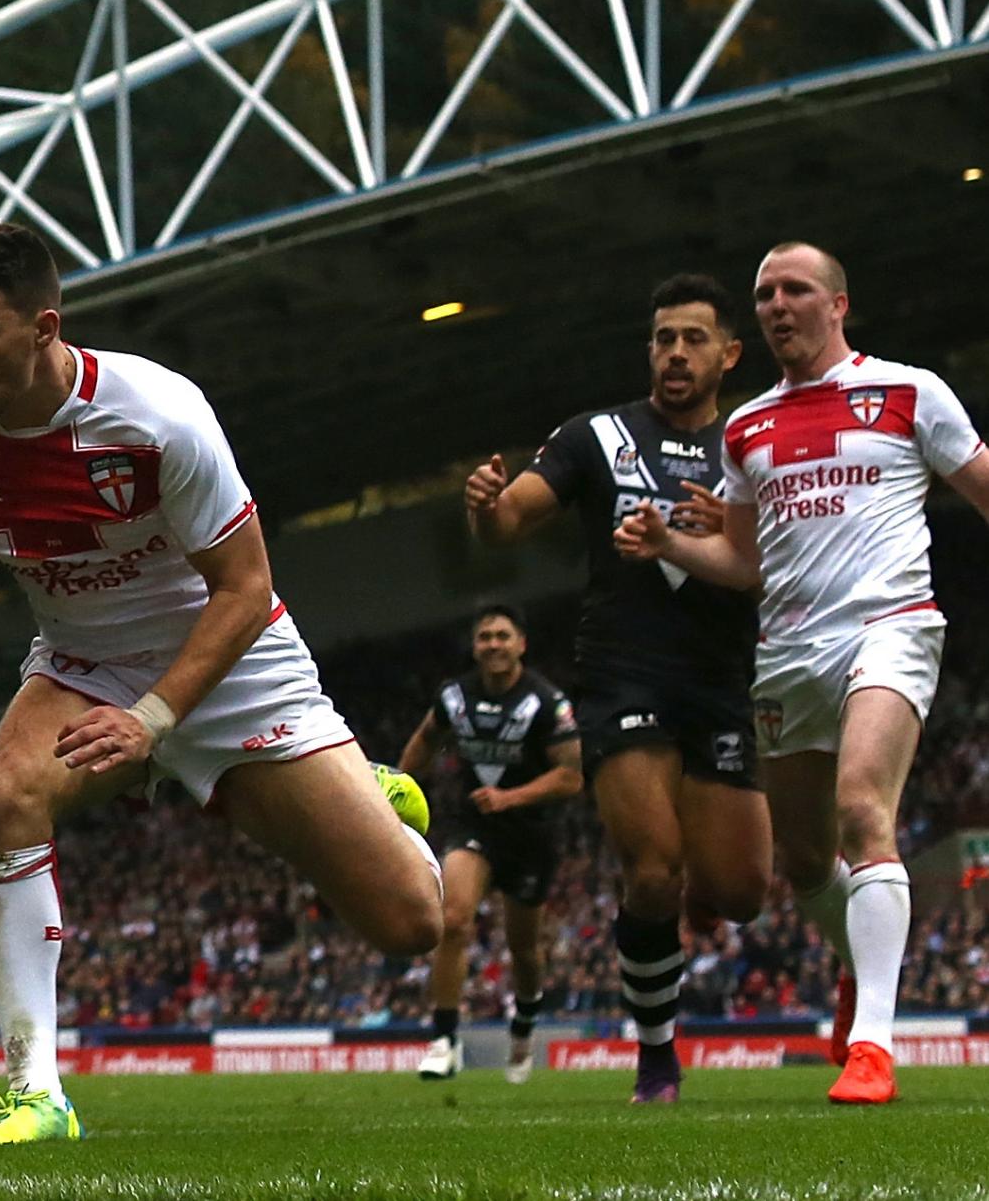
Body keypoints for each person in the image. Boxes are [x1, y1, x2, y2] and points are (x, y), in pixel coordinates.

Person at [0, 222, 441, 1145]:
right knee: (4, 795)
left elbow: (246, 589)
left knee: (411, 924)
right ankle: (39, 1093)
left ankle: (365, 791)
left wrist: (153, 719)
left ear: (44, 327)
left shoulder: (158, 416)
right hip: (83, 665)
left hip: (232, 665)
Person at [617, 241, 989, 1106]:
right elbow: (746, 562)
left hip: (890, 627)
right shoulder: (746, 428)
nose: (778, 304)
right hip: (789, 652)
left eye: (795, 289)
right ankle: (859, 969)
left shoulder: (909, 392)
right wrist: (670, 542)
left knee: (866, 810)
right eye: (765, 294)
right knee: (805, 858)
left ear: (837, 303)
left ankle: (873, 1051)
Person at [462, 273, 767, 1103]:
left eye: (693, 338)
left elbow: (786, 566)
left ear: (729, 353)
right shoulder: (597, 434)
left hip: (722, 680)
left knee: (739, 892)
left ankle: (686, 895)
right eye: (663, 337)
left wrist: (728, 536)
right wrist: (487, 509)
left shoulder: (754, 441)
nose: (674, 352)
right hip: (622, 674)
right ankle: (658, 1056)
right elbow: (513, 519)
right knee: (654, 869)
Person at [396, 604, 580, 1085]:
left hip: (531, 834)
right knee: (453, 920)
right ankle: (443, 1040)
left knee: (523, 948)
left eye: (502, 635)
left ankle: (523, 1026)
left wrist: (510, 797)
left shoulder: (547, 702)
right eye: (484, 637)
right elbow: (424, 739)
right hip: (472, 825)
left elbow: (571, 776)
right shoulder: (455, 696)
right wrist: (395, 790)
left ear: (522, 643)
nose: (493, 644)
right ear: (475, 647)